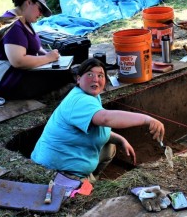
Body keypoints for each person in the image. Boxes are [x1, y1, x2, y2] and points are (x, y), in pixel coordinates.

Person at [31, 58, 165, 181]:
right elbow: (106, 118)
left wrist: (121, 139)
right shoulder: (79, 100)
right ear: (78, 79)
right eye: (89, 74)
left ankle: (93, 177)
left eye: (100, 75)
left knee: (110, 146)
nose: (95, 79)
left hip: (68, 159)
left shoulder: (91, 96)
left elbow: (98, 127)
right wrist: (147, 119)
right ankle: (87, 182)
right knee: (86, 198)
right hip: (58, 171)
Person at [0, 0, 72, 105]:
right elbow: (18, 61)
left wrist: (45, 53)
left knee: (68, 73)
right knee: (66, 77)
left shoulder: (23, 20)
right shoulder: (13, 25)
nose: (40, 14)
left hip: (13, 75)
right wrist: (48, 58)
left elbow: (33, 47)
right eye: (40, 9)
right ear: (29, 2)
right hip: (4, 81)